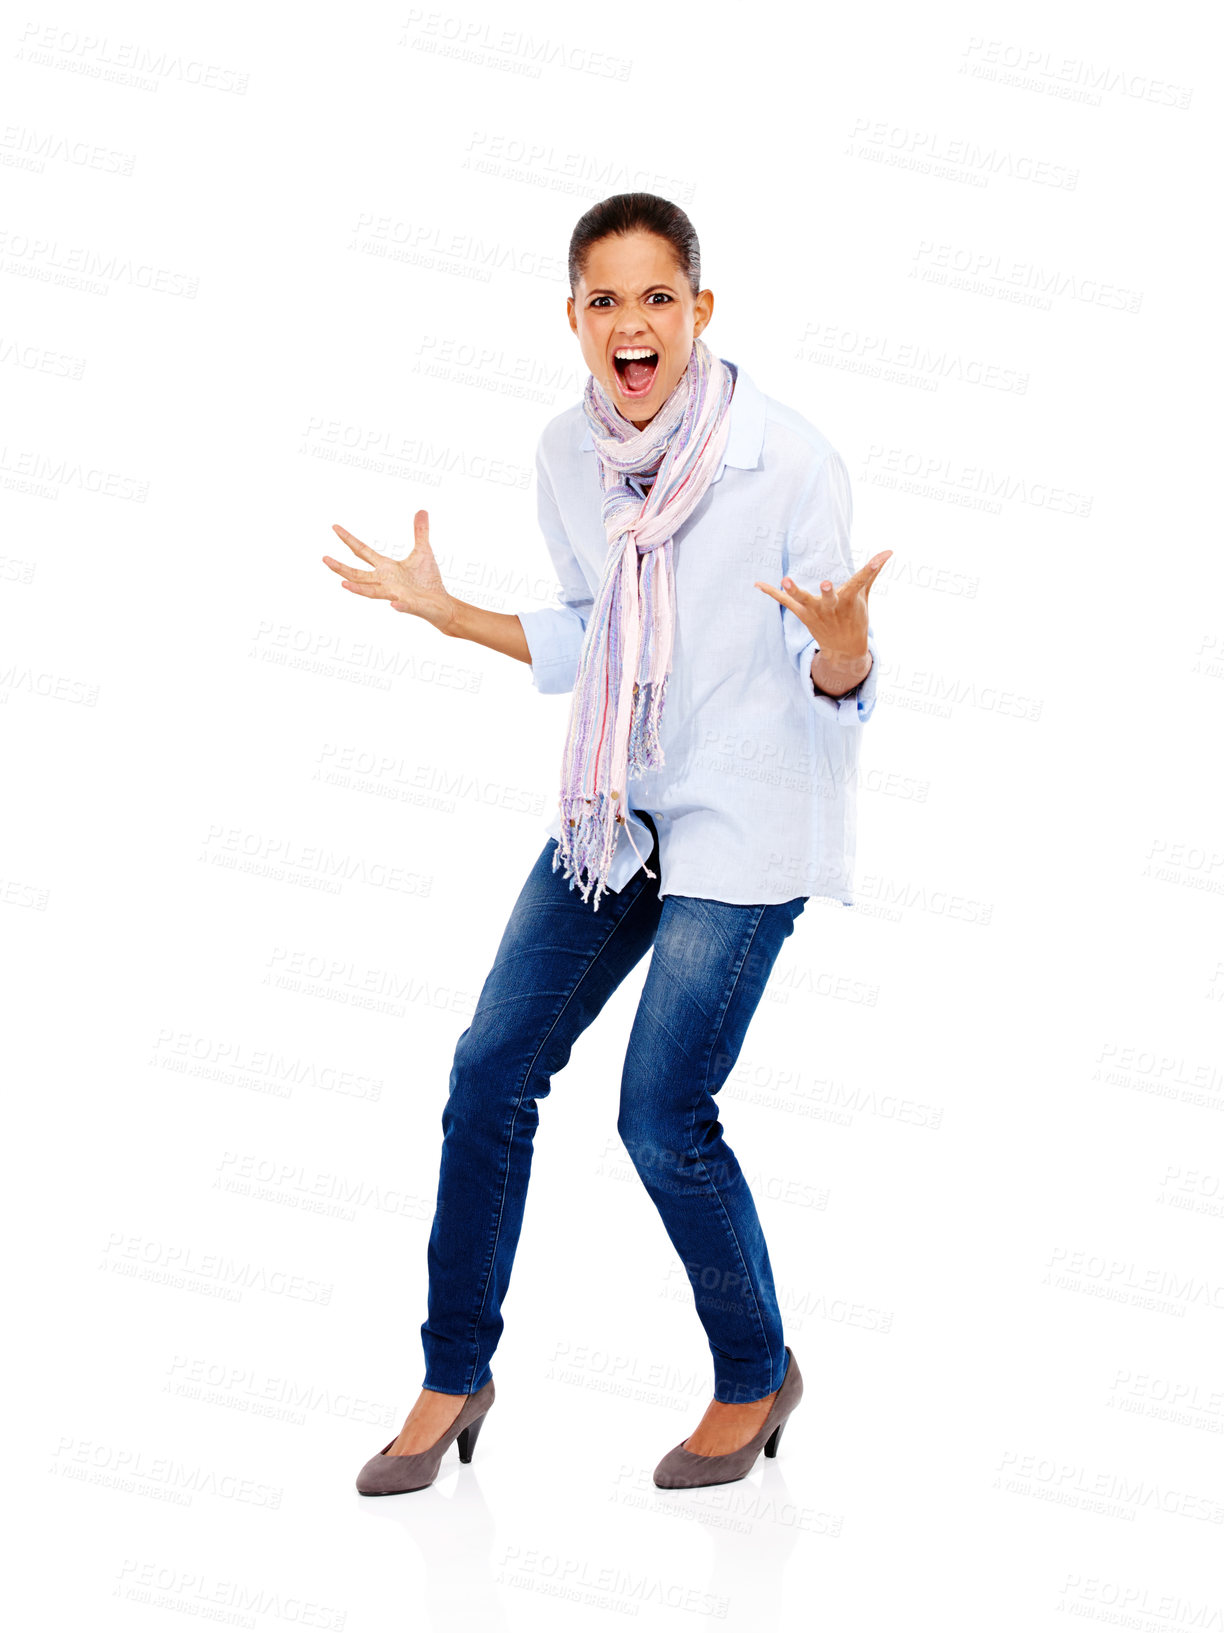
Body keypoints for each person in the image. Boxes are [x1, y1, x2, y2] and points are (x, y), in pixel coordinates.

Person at [322, 193, 891, 1495]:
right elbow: (592, 629)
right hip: (618, 807)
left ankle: (756, 1369)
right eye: (604, 301)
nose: (631, 325)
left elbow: (831, 665)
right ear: (575, 318)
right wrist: (448, 610)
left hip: (745, 816)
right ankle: (454, 1369)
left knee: (659, 1113)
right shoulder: (564, 456)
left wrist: (848, 644)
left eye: (656, 298)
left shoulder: (792, 462)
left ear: (699, 309)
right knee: (490, 1066)